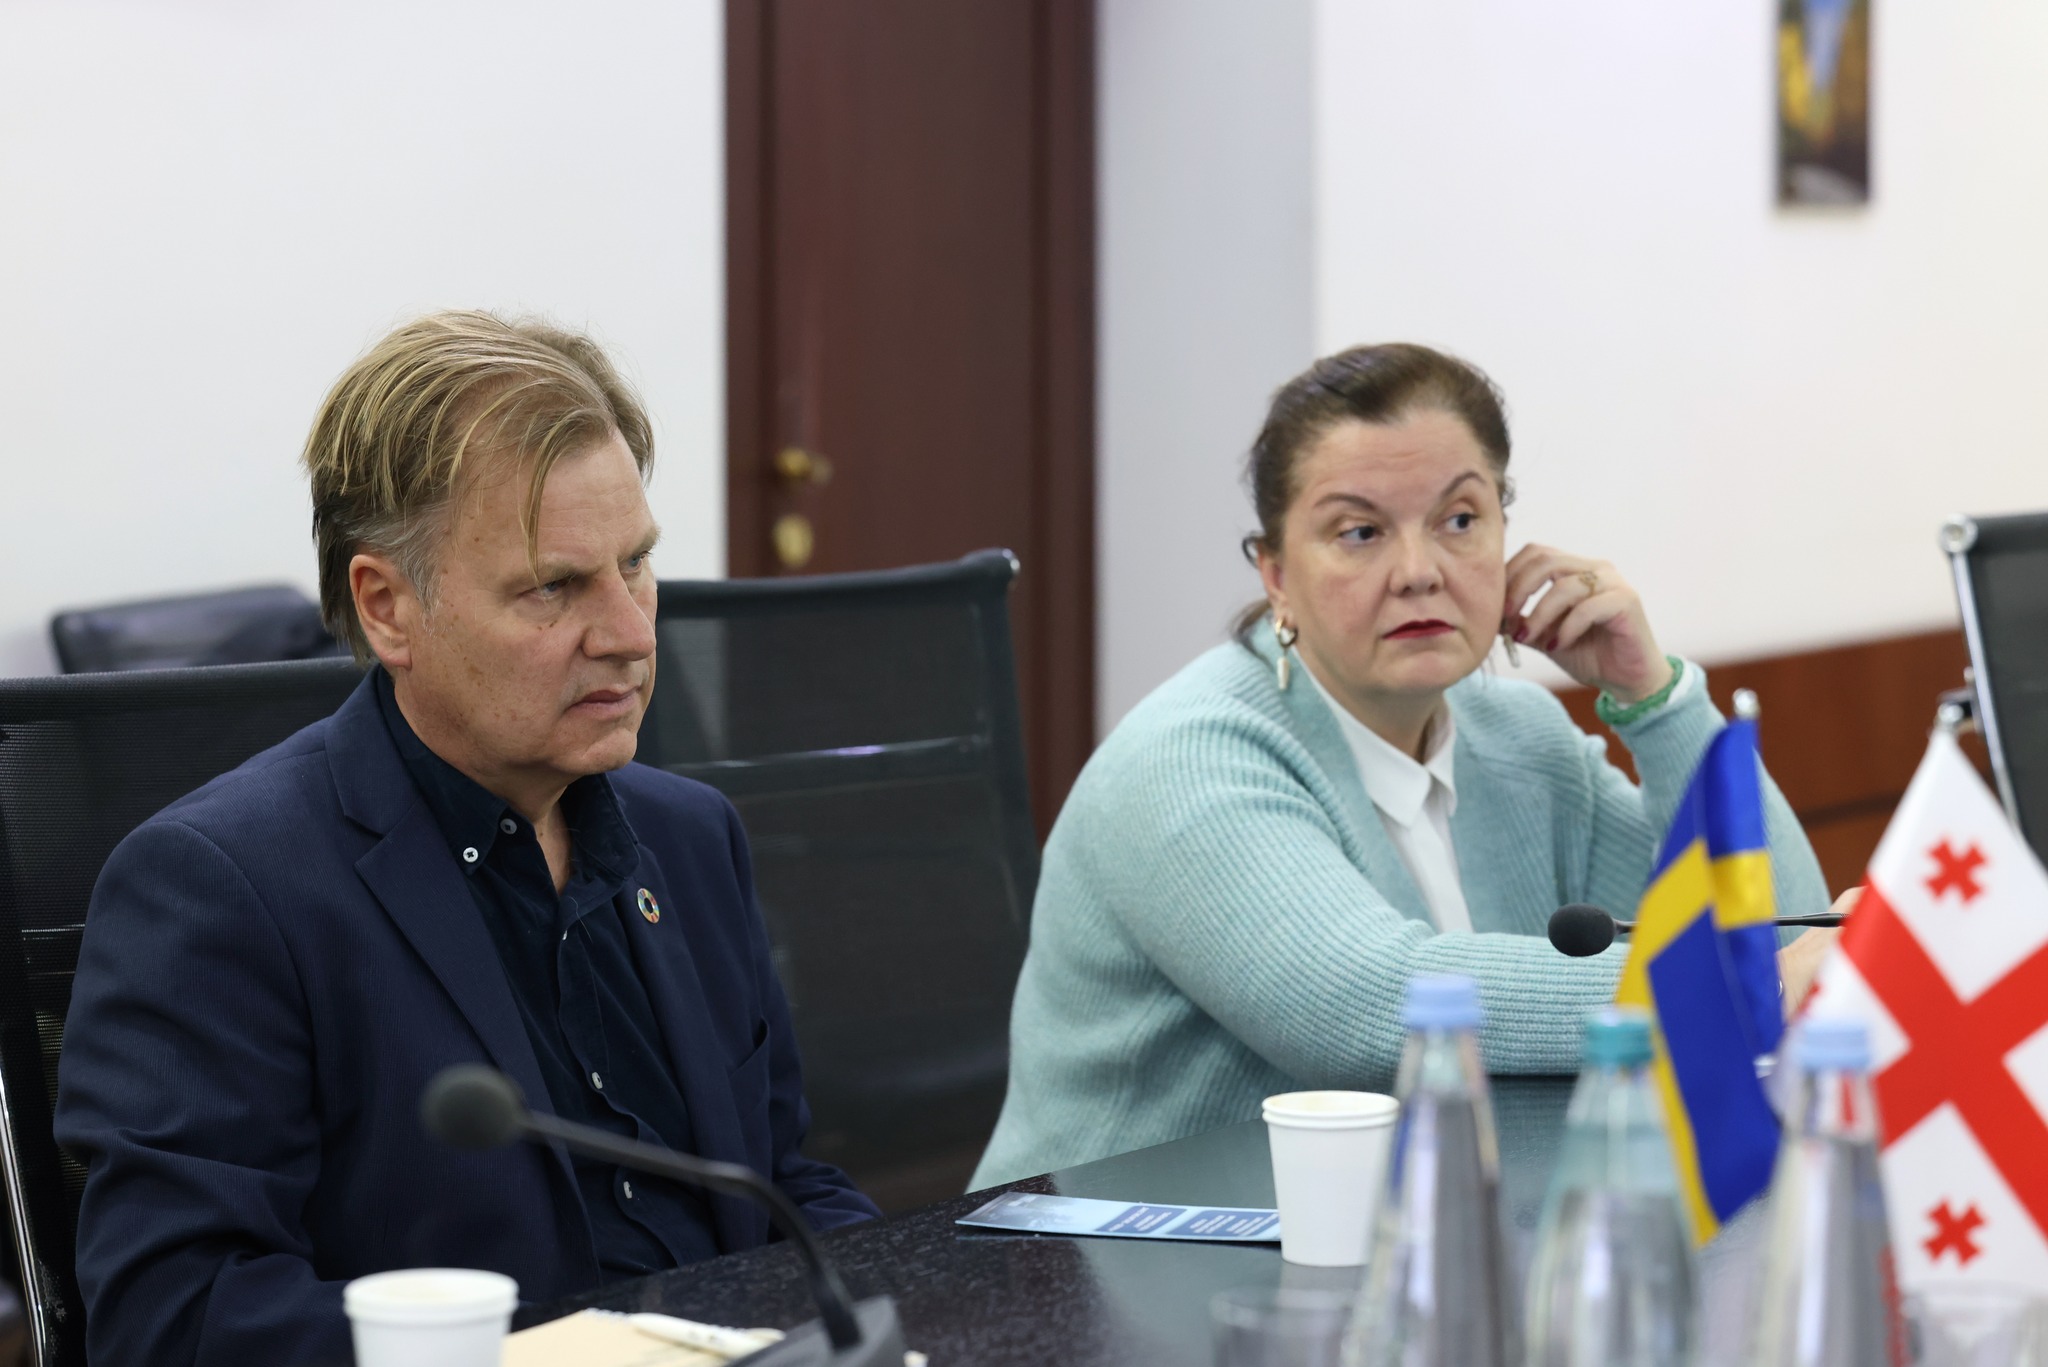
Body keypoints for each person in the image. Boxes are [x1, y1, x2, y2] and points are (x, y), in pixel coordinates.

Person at [54, 312, 879, 1367]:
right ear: (388, 607)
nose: (631, 632)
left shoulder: (690, 835)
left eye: (636, 563)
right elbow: (173, 1317)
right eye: (553, 587)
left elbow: (783, 1184)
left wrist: (914, 1311)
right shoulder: (220, 887)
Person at [972, 343, 1841, 1186]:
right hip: (1098, 1258)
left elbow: (1785, 930)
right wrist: (1735, 986)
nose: (1419, 571)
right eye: (1359, 532)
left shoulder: (1521, 738)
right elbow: (1362, 1007)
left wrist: (1655, 699)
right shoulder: (1187, 757)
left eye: (1459, 520)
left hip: (1418, 1228)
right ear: (1276, 575)